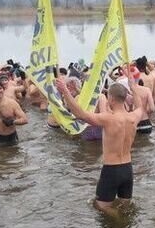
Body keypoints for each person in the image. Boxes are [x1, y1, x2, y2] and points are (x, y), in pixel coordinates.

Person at [56, 74, 142, 216]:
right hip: (128, 168)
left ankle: (119, 222)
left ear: (112, 99)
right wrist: (134, 88)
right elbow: (140, 107)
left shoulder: (108, 118)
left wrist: (64, 91)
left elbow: (80, 114)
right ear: (125, 97)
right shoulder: (134, 117)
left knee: (101, 206)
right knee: (125, 205)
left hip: (111, 170)